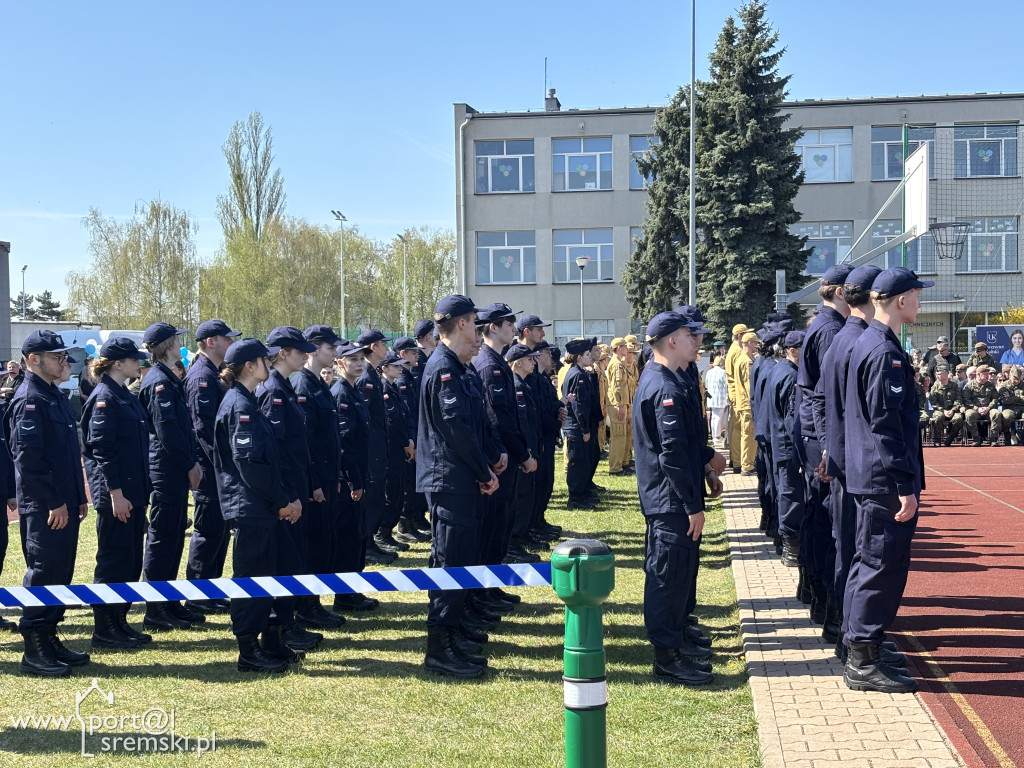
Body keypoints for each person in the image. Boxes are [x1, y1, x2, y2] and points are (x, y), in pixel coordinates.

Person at [843, 266, 932, 694]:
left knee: (869, 563)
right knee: (881, 566)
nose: (920, 302)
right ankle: (862, 658)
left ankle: (865, 647)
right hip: (883, 480)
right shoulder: (883, 351)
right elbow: (885, 425)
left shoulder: (871, 342)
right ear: (900, 301)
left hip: (871, 476)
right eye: (916, 295)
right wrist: (903, 484)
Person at [633, 311, 723, 686]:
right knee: (667, 577)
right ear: (671, 340)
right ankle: (666, 656)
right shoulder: (663, 386)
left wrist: (704, 470)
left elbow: (685, 444)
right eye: (691, 334)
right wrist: (692, 505)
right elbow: (671, 453)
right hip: (670, 501)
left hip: (674, 498)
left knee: (679, 573)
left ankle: (676, 643)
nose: (697, 341)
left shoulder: (670, 379)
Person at [418, 295, 499, 679]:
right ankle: (439, 647)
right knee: (449, 562)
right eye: (474, 324)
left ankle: (453, 633)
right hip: (450, 479)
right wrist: (483, 470)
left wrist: (487, 462)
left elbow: (475, 425)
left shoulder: (456, 366)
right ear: (463, 323)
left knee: (461, 559)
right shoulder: (443, 368)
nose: (479, 335)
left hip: (460, 477)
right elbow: (455, 431)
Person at [214, 338, 302, 673]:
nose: (269, 364)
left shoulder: (247, 401)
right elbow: (249, 465)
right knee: (251, 579)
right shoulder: (239, 405)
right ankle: (248, 651)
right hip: (251, 507)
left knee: (275, 573)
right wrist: (281, 501)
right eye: (264, 360)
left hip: (261, 505)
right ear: (250, 366)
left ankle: (272, 642)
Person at [5, 330, 89, 676]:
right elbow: (28, 459)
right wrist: (55, 502)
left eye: (64, 357)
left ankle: (50, 636)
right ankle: (34, 648)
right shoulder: (29, 398)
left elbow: (70, 457)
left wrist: (78, 498)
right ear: (34, 360)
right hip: (44, 506)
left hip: (63, 502)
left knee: (60, 572)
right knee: (43, 572)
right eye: (57, 357)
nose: (64, 362)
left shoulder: (51, 395)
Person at [815, 264, 885, 656]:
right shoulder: (852, 339)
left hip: (844, 457)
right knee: (854, 551)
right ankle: (849, 635)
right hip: (852, 462)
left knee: (851, 548)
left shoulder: (845, 337)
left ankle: (847, 631)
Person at [255, 326, 326, 654]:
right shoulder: (272, 389)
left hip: (296, 487)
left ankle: (288, 622)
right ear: (282, 352)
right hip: (284, 495)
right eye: (299, 351)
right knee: (283, 562)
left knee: (293, 560)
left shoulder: (281, 386)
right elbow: (275, 452)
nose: (305, 355)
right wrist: (286, 498)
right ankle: (279, 628)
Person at [81, 337, 153, 649]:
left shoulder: (124, 395)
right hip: (117, 494)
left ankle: (120, 621)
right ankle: (105, 627)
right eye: (134, 359)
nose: (140, 363)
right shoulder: (104, 397)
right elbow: (101, 448)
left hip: (133, 491)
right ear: (117, 363)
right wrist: (115, 492)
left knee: (130, 559)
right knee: (113, 560)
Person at [139, 323, 203, 631]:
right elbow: (168, 432)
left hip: (173, 467)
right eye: (176, 339)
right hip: (167, 468)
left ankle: (168, 602)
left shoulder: (166, 377)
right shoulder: (159, 381)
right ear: (166, 345)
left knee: (174, 534)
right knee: (163, 537)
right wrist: (189, 464)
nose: (180, 343)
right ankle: (155, 608)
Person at [798, 263, 852, 629]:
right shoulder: (832, 329)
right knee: (827, 523)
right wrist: (828, 447)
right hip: (821, 435)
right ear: (839, 292)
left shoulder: (822, 324)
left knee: (817, 516)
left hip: (815, 433)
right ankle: (828, 604)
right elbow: (826, 394)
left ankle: (817, 593)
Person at [294, 325, 356, 618]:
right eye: (331, 349)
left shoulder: (318, 384)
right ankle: (306, 606)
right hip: (316, 482)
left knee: (324, 542)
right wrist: (315, 483)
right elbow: (305, 442)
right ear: (315, 349)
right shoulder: (303, 385)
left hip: (329, 478)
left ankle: (314, 602)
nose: (335, 354)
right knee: (313, 545)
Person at [183, 319, 241, 617]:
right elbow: (203, 428)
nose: (231, 343)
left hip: (218, 467)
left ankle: (211, 590)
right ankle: (198, 594)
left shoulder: (214, 373)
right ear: (209, 342)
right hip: (209, 468)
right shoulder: (201, 376)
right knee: (207, 530)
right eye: (226, 338)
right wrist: (220, 465)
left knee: (219, 530)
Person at [473, 304, 530, 563]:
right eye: (508, 324)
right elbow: (498, 419)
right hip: (501, 458)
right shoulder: (488, 365)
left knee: (504, 519)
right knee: (495, 523)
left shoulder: (497, 361)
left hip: (507, 455)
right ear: (493, 328)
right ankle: (487, 588)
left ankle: (493, 584)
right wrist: (517, 452)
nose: (513, 329)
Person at [355, 329, 396, 559]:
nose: (386, 348)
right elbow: (364, 418)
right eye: (382, 343)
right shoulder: (366, 378)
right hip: (371, 447)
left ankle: (370, 539)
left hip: (378, 444)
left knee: (378, 492)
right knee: (372, 494)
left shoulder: (371, 375)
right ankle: (367, 542)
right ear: (372, 347)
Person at [766, 331, 805, 568]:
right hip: (788, 446)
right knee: (791, 496)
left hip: (780, 443)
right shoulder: (790, 376)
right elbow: (793, 419)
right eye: (803, 347)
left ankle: (787, 544)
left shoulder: (779, 370)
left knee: (785, 492)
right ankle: (791, 549)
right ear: (792, 350)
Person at [392, 336, 431, 544]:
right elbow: (406, 413)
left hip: (416, 437)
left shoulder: (409, 376)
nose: (417, 354)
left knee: (415, 484)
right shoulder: (401, 380)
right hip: (410, 440)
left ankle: (414, 520)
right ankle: (405, 525)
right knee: (408, 486)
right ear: (402, 355)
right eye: (412, 352)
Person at [506, 343, 542, 562]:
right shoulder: (516, 385)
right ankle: (512, 544)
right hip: (522, 451)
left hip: (529, 448)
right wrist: (526, 450)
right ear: (518, 362)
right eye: (529, 359)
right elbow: (521, 423)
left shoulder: (523, 384)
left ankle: (518, 540)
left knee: (526, 496)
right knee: (519, 499)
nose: (533, 362)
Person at [378, 350, 415, 558]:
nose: (400, 368)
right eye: (396, 366)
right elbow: (391, 422)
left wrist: (410, 439)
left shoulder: (393, 388)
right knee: (390, 492)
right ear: (385, 368)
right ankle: (382, 534)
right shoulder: (383, 388)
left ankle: (388, 533)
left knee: (398, 490)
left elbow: (404, 415)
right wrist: (404, 442)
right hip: (392, 449)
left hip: (400, 447)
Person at [561, 338, 598, 510]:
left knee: (583, 462)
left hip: (580, 426)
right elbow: (579, 405)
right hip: (577, 427)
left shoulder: (581, 373)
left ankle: (582, 494)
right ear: (579, 357)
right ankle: (575, 498)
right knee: (577, 463)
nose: (590, 357)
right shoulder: (577, 375)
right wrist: (584, 428)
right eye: (587, 354)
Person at [607, 338, 638, 475]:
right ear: (618, 348)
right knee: (618, 436)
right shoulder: (616, 365)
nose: (627, 349)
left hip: (623, 404)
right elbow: (616, 387)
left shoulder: (620, 364)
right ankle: (615, 468)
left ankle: (623, 463)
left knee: (624, 436)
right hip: (617, 404)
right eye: (624, 346)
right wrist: (620, 405)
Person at [725, 323, 752, 472]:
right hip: (739, 394)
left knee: (735, 429)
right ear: (740, 336)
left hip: (735, 393)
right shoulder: (737, 351)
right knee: (741, 430)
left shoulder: (733, 349)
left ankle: (736, 460)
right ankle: (739, 461)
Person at [734, 332, 759, 476]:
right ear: (749, 343)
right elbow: (750, 385)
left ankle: (746, 463)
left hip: (742, 403)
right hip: (747, 404)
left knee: (746, 434)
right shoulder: (746, 361)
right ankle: (747, 465)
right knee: (749, 436)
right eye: (755, 343)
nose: (756, 345)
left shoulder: (742, 358)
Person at [963, 365, 1004, 446]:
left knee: (996, 413)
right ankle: (976, 438)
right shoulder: (969, 385)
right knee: (969, 414)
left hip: (988, 409)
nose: (988, 376)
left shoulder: (990, 385)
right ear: (978, 374)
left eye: (988, 374)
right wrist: (977, 409)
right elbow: (966, 400)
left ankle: (993, 438)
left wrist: (988, 408)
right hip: (975, 409)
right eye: (985, 374)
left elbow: (995, 399)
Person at [928, 365, 965, 447]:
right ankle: (937, 439)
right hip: (940, 410)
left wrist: (953, 410)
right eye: (937, 374)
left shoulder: (954, 386)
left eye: (940, 374)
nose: (938, 376)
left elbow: (958, 400)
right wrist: (943, 410)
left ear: (946, 374)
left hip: (953, 410)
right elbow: (933, 402)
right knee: (937, 417)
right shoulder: (935, 387)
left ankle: (950, 438)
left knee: (958, 419)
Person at [703, 354, 728, 445]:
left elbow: (707, 384)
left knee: (714, 417)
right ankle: (717, 436)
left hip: (711, 398)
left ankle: (714, 435)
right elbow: (726, 385)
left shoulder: (709, 372)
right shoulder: (723, 372)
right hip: (720, 398)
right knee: (718, 417)